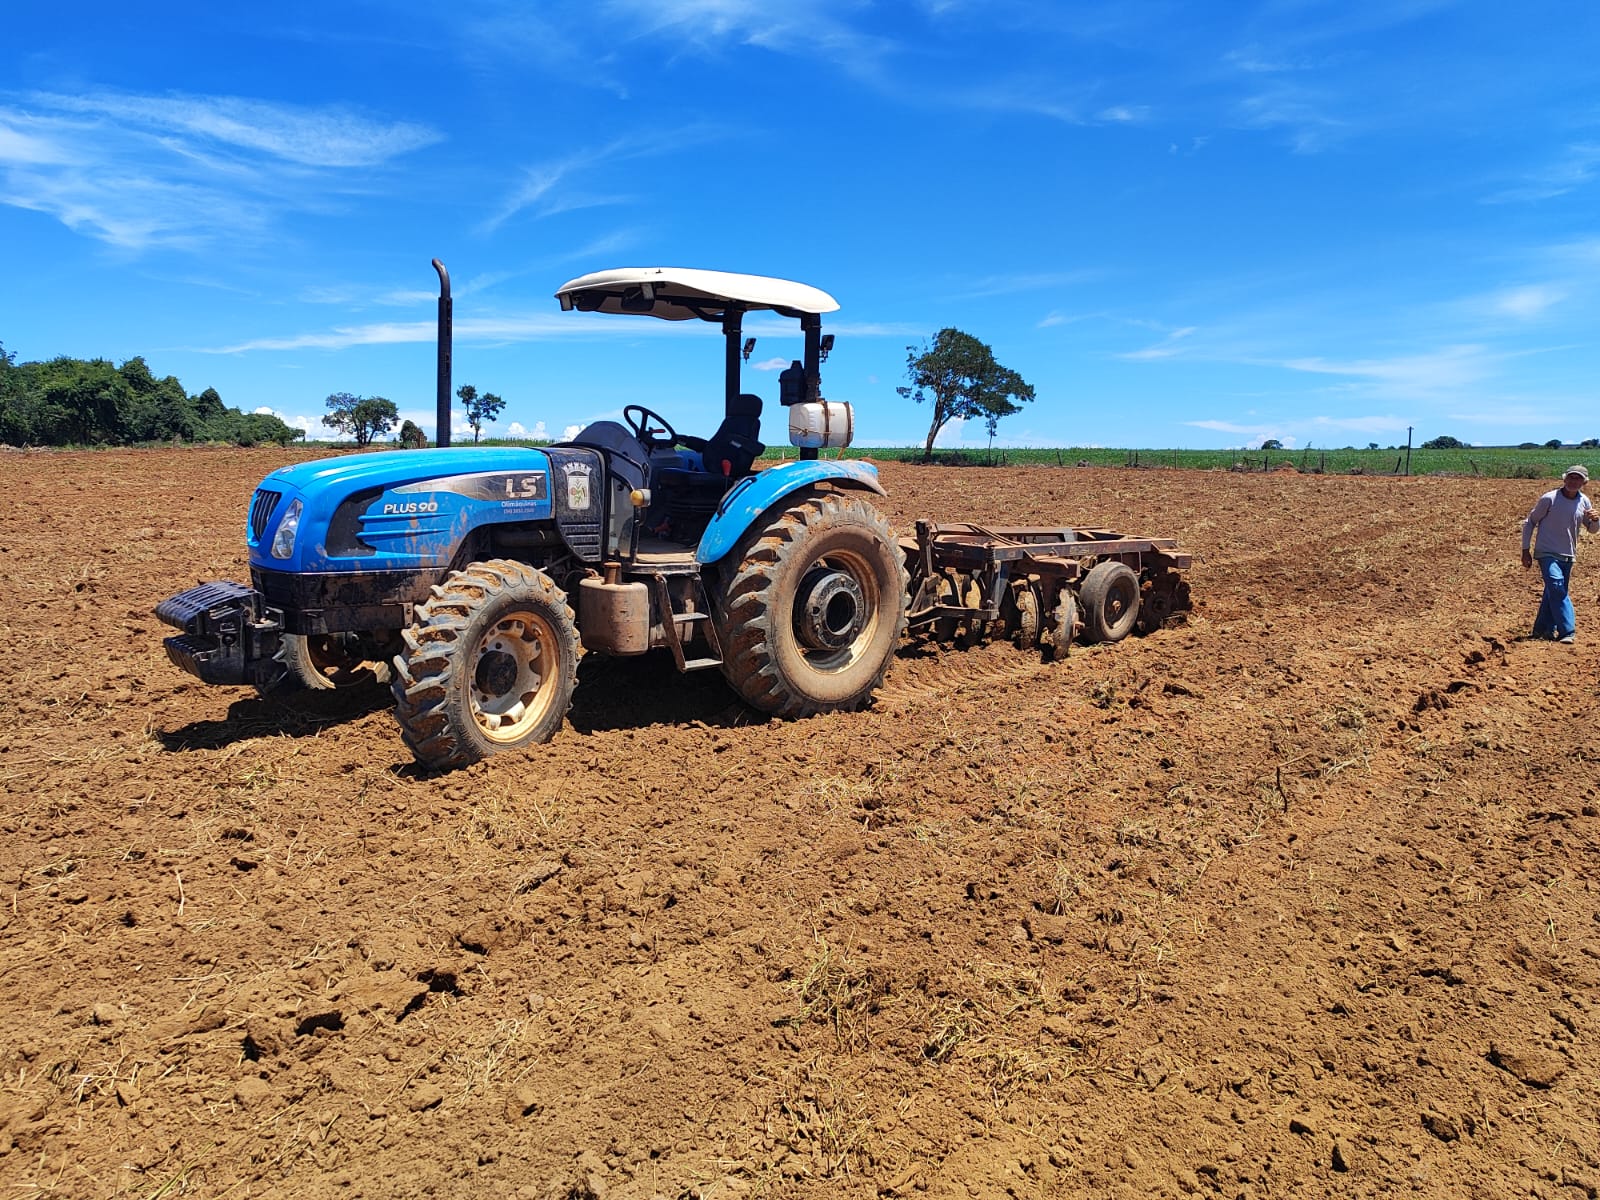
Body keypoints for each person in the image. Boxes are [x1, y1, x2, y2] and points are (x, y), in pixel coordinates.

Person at [1521, 464, 1600, 643]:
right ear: (1564, 479)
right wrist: (1525, 550)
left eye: (1578, 478)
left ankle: (1542, 630)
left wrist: (1596, 520)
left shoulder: (1584, 501)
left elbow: (1593, 529)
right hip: (1546, 552)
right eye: (1571, 477)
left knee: (1552, 592)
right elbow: (1530, 522)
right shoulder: (1549, 499)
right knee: (1557, 586)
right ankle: (1567, 631)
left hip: (1568, 554)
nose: (1574, 481)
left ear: (1584, 482)